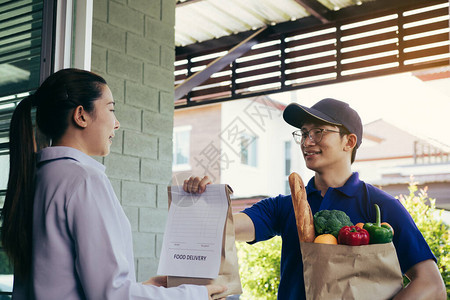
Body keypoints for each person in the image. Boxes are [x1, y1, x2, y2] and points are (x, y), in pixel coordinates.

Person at [184, 98, 447, 299]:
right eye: (303, 132)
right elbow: (227, 227)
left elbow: (431, 285)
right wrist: (202, 201)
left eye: (319, 131)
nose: (307, 141)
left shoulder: (380, 206)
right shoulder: (285, 205)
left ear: (349, 141)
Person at [1, 68, 226, 300]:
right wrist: (195, 295)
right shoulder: (85, 180)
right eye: (111, 109)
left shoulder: (36, 178)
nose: (116, 124)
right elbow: (111, 295)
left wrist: (143, 287)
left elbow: (64, 281)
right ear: (81, 116)